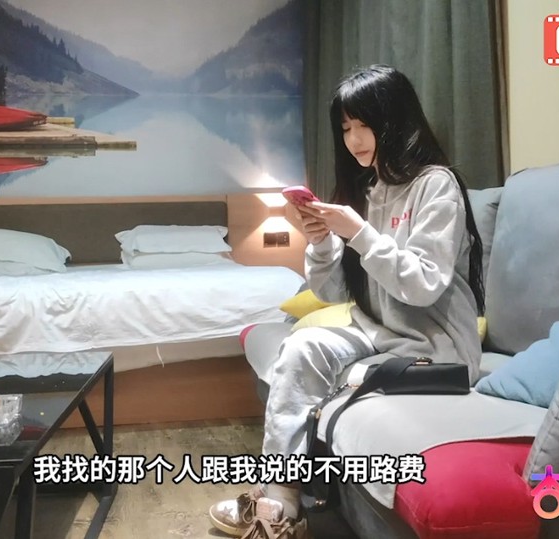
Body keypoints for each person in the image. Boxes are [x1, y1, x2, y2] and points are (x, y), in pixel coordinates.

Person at [208, 65, 486, 538]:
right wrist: (320, 242)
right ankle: (282, 498)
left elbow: (423, 284)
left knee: (333, 378)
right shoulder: (367, 189)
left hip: (435, 347)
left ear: (396, 120)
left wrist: (358, 232)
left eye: (365, 125)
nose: (354, 140)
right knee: (300, 347)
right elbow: (333, 293)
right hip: (375, 331)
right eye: (345, 128)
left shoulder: (436, 184)